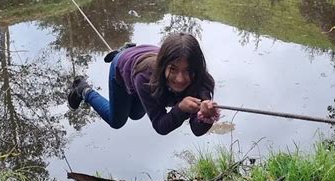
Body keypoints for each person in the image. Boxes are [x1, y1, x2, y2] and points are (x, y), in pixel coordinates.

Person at [67, 32, 220, 136]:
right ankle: (83, 89)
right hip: (124, 68)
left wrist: (205, 117)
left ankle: (129, 50)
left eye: (188, 71)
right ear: (164, 65)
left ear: (197, 69)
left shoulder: (203, 82)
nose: (180, 79)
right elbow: (160, 126)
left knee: (135, 114)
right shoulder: (145, 78)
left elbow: (196, 129)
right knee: (117, 121)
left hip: (147, 58)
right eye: (173, 69)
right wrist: (180, 109)